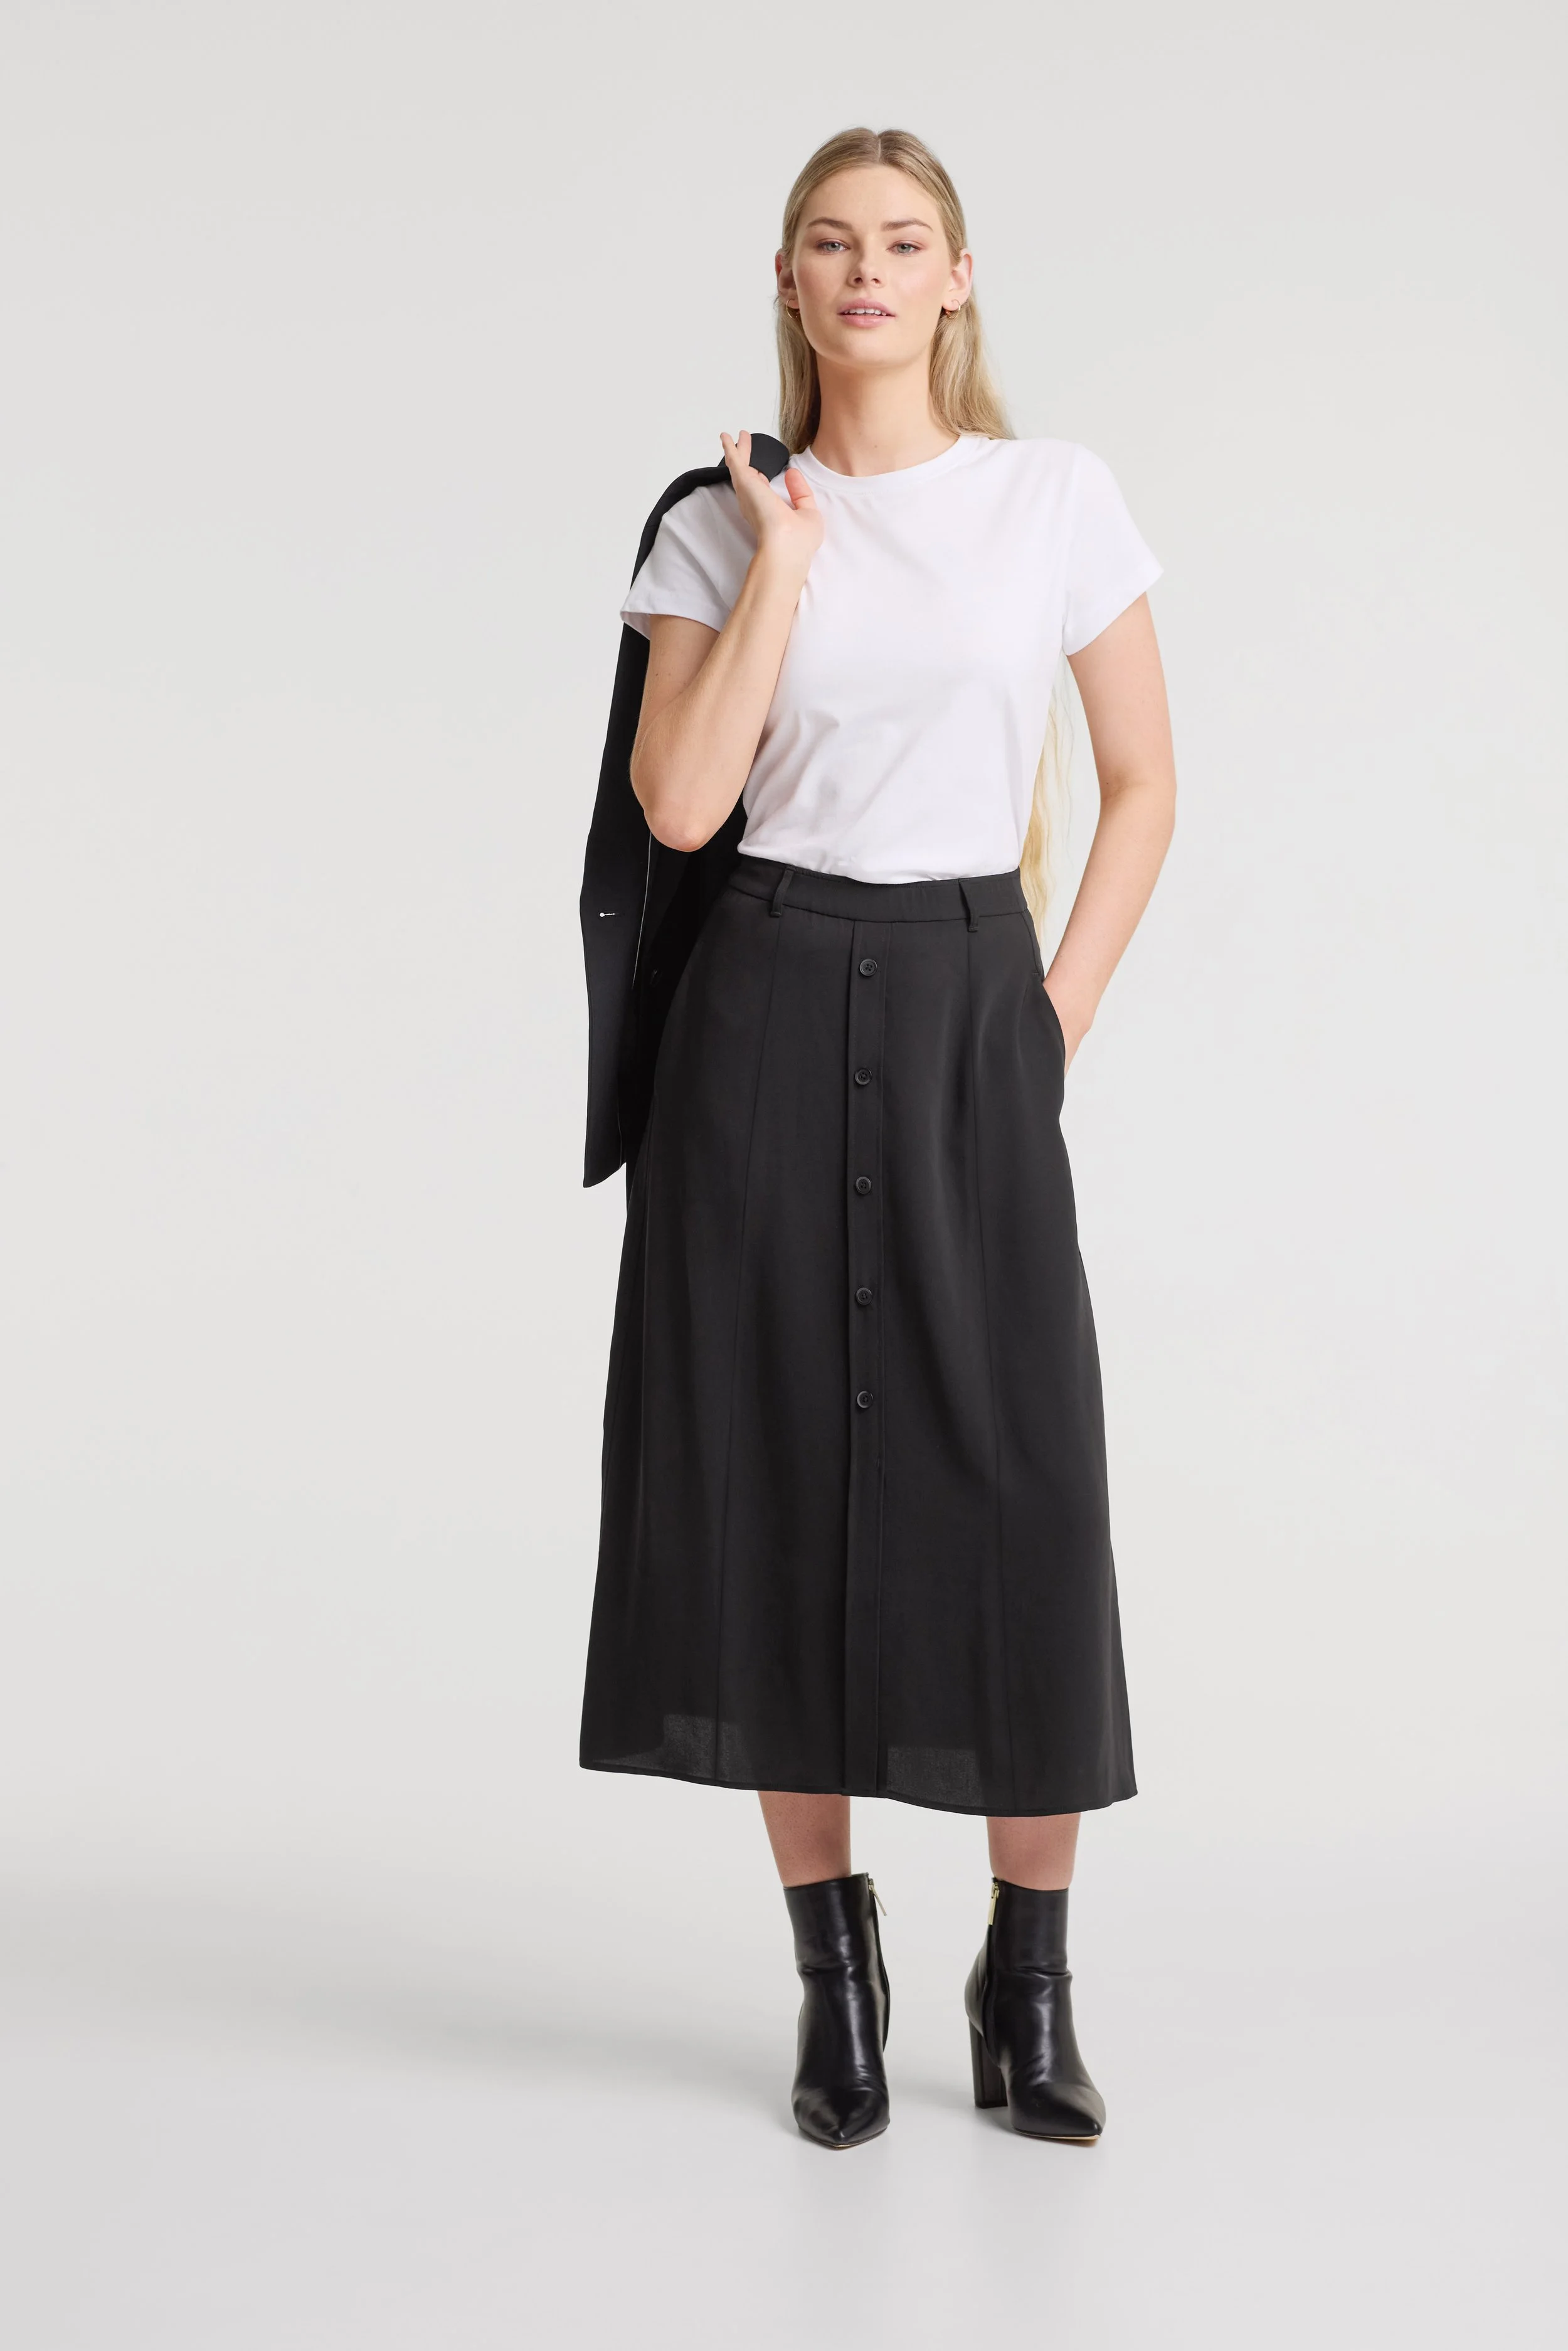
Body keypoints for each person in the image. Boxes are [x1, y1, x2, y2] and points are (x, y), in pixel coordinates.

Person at [578, 125, 1177, 2150]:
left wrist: (1051, 1013)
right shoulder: (718, 521)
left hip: (962, 1000)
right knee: (772, 1461)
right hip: (757, 1003)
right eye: (830, 243)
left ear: (955, 277)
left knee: (1014, 1464)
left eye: (899, 243)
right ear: (786, 273)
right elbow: (678, 805)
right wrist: (791, 560)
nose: (865, 272)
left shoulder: (1049, 498)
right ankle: (833, 1971)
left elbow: (1139, 781)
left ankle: (1028, 1979)